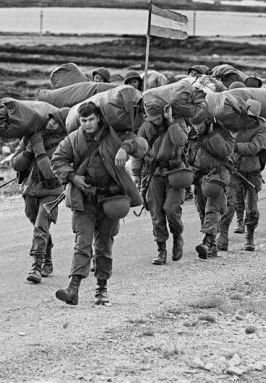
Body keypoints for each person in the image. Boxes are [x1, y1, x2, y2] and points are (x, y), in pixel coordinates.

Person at [51, 102, 148, 305]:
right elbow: (57, 160)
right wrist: (72, 177)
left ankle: (102, 290)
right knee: (82, 243)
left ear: (99, 118)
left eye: (91, 119)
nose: (87, 124)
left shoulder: (115, 135)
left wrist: (125, 147)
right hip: (84, 199)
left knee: (104, 245)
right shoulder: (73, 139)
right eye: (83, 120)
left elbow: (141, 145)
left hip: (111, 200)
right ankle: (73, 289)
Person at [10, 109, 69, 283]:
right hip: (30, 190)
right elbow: (16, 164)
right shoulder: (33, 136)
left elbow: (50, 173)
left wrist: (39, 148)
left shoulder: (65, 143)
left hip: (53, 192)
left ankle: (36, 265)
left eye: (58, 122)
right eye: (51, 119)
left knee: (41, 226)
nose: (53, 124)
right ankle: (48, 260)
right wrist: (29, 150)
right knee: (38, 226)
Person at [136, 104, 189, 264]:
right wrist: (137, 174)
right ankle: (161, 250)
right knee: (156, 214)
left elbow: (180, 141)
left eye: (158, 118)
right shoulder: (145, 127)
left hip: (175, 173)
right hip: (154, 174)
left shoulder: (178, 122)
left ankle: (177, 237)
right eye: (152, 119)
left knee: (171, 210)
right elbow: (138, 151)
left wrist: (171, 121)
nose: (156, 121)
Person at [218, 102, 266, 251]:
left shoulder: (261, 127)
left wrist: (235, 146)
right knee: (229, 203)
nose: (249, 119)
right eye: (247, 116)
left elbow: (255, 146)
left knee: (252, 207)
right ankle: (223, 235)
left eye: (252, 117)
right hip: (233, 168)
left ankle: (249, 237)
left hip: (252, 169)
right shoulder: (233, 123)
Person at [188, 112, 235, 259]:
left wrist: (211, 134)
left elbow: (225, 151)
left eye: (200, 124)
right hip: (199, 176)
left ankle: (207, 242)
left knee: (213, 208)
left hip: (217, 175)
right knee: (202, 209)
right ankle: (212, 246)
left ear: (208, 121)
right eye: (195, 125)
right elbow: (190, 154)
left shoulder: (223, 132)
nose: (197, 128)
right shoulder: (193, 134)